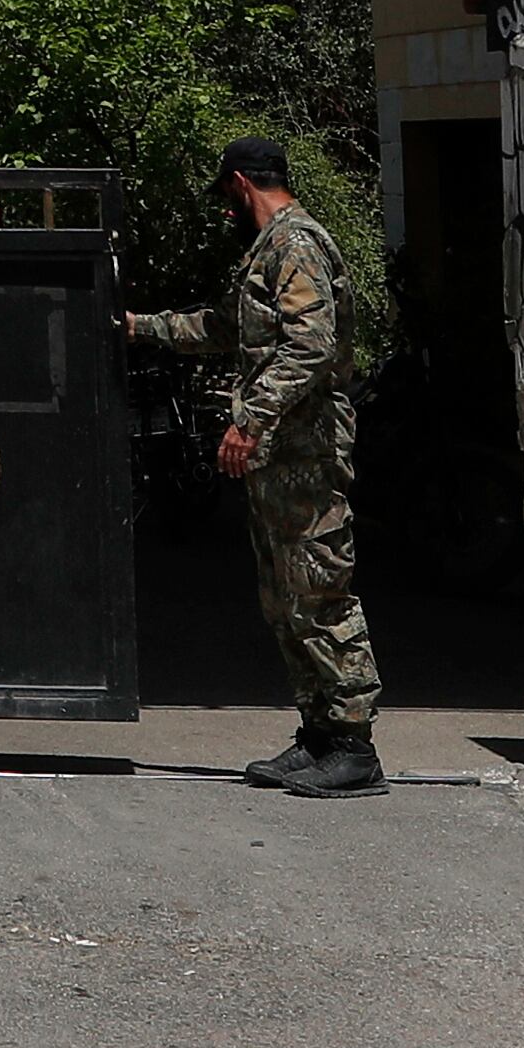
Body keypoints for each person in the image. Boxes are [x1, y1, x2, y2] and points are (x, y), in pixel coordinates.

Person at [125, 135, 385, 797]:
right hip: (280, 461)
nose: (226, 210)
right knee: (285, 599)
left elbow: (311, 346)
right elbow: (224, 328)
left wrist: (251, 418)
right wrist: (139, 327)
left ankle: (355, 746)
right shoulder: (266, 253)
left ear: (241, 183)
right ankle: (321, 734)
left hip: (307, 454)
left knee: (319, 591)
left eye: (227, 197)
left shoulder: (296, 245)